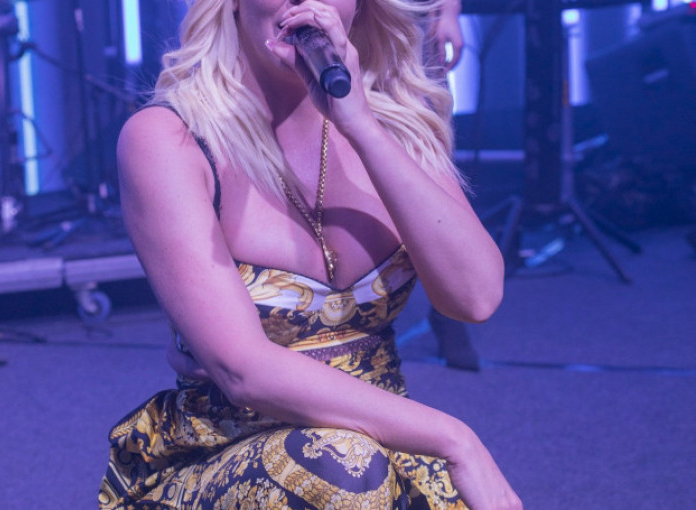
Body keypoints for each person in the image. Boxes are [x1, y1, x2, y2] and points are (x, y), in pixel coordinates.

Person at [99, 1, 521, 509]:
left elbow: (475, 297)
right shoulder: (170, 139)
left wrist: (363, 127)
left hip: (388, 441)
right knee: (347, 471)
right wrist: (455, 438)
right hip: (224, 450)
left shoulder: (397, 120)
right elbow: (243, 370)